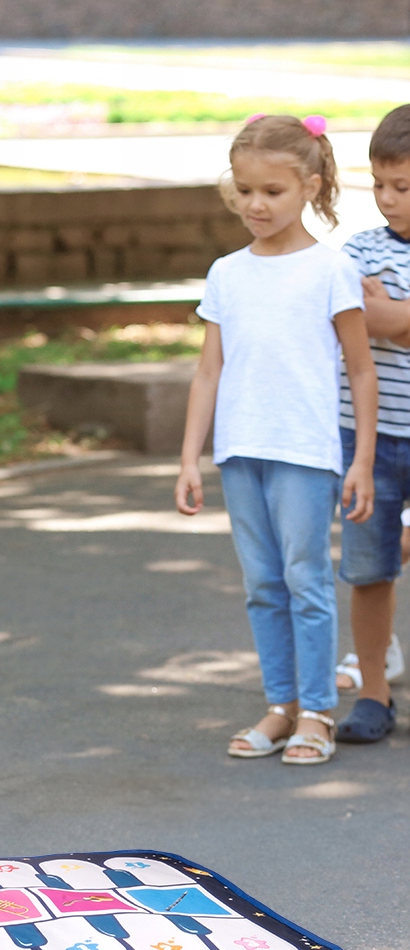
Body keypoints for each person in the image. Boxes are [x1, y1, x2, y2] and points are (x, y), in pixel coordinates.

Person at [175, 113, 378, 765]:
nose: (255, 204)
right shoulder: (227, 273)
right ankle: (280, 704)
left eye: (272, 191)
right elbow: (210, 370)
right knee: (263, 583)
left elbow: (360, 368)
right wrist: (190, 458)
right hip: (241, 452)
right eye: (245, 189)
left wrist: (363, 461)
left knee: (307, 580)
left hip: (306, 453)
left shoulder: (329, 270)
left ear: (310, 187)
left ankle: (317, 711)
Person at [329, 104, 410, 742]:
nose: (387, 199)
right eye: (378, 185)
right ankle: (376, 696)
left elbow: (382, 320)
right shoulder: (356, 250)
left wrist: (394, 313)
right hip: (369, 437)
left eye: (403, 187)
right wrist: (391, 319)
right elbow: (362, 323)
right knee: (369, 566)